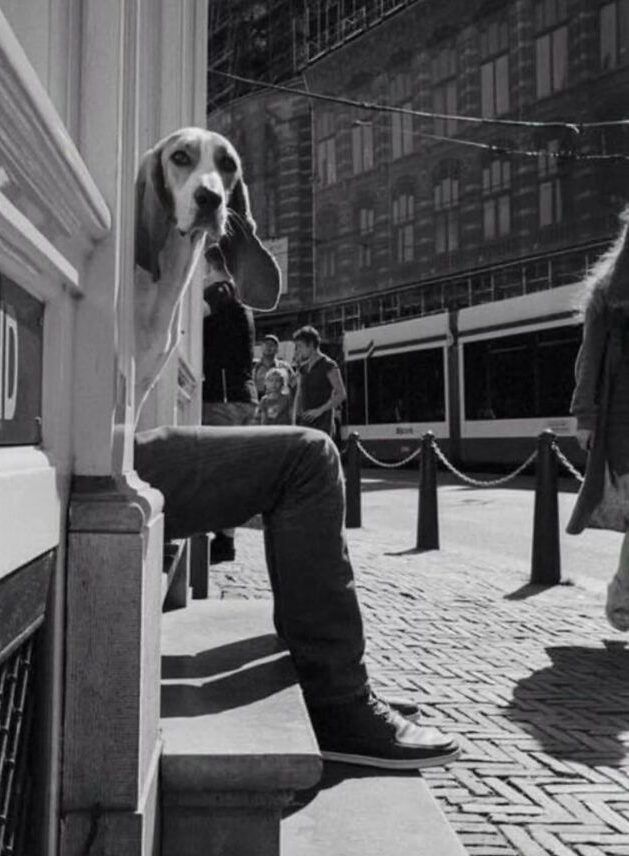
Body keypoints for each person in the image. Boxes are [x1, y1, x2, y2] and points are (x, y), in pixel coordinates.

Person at [133, 136, 459, 770]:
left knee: (304, 458)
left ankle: (328, 680)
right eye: (184, 163)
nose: (207, 182)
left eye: (224, 169)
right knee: (308, 458)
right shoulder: (127, 271)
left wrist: (234, 234)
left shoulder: (182, 274)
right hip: (98, 468)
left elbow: (263, 293)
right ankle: (338, 700)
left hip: (124, 459)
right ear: (155, 182)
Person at [567, 205, 629, 631]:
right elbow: (588, 359)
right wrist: (584, 415)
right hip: (622, 419)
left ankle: (623, 597)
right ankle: (623, 599)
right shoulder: (607, 294)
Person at [202, 277, 258, 564]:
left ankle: (222, 541)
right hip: (245, 398)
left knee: (218, 473)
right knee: (233, 474)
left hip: (223, 400)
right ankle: (226, 539)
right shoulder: (244, 310)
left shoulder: (220, 305)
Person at [293, 325, 346, 437]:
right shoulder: (303, 368)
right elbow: (298, 395)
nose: (298, 350)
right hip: (304, 423)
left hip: (323, 423)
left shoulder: (329, 365)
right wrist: (295, 420)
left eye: (300, 346)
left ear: (311, 345)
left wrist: (319, 410)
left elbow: (341, 394)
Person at [253, 333, 295, 398]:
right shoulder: (254, 367)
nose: (268, 347)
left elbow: (294, 385)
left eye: (272, 344)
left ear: (277, 349)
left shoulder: (284, 367)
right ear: (261, 347)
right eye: (266, 344)